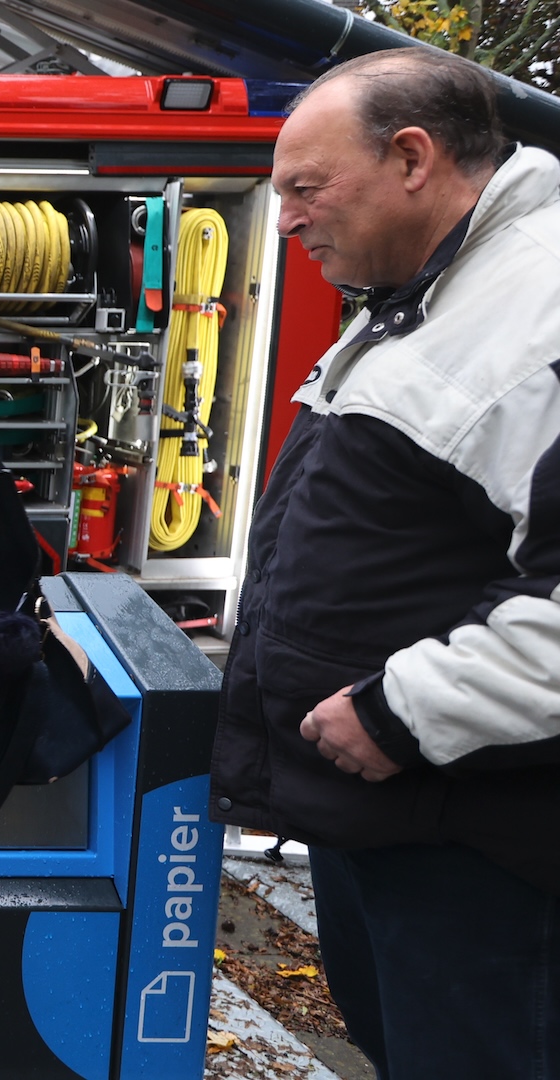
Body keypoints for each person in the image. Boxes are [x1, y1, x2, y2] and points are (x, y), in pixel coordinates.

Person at [213, 48, 560, 1078]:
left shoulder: (536, 311)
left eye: (303, 190)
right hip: (398, 824)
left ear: (413, 157)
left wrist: (400, 709)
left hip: (479, 847)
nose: (283, 223)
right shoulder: (435, 291)